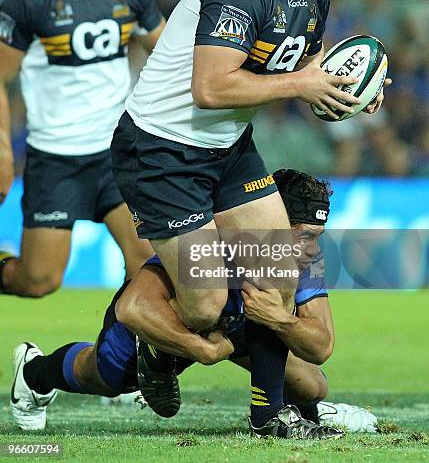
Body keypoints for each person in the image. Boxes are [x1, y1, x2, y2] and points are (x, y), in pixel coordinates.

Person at [110, 0, 387, 433]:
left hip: (227, 147)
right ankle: (158, 350)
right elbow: (210, 88)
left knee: (275, 268)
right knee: (207, 307)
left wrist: (343, 93)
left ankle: (267, 416)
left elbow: (294, 82)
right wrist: (304, 83)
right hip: (162, 150)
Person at [10, 169, 377, 437]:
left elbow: (321, 344)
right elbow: (133, 307)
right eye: (304, 235)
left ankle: (295, 413)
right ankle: (34, 373)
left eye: (316, 237)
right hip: (162, 330)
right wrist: (200, 349)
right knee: (104, 377)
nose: (311, 249)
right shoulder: (208, 243)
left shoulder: (303, 258)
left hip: (233, 329)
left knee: (312, 384)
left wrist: (282, 321)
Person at [0, 0, 165, 298]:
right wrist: (2, 148)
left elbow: (167, 55)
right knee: (39, 281)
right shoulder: (30, 0)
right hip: (56, 160)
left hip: (117, 151)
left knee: (147, 262)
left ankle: (126, 360)